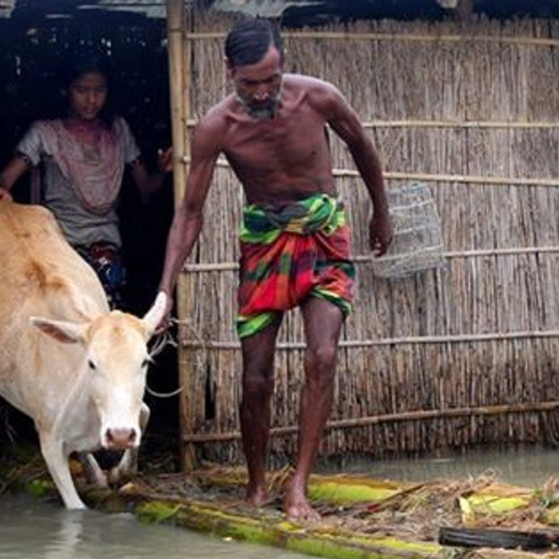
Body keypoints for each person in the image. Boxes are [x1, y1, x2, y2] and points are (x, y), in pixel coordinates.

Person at [155, 18, 393, 521]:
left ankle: (299, 487)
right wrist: (164, 291)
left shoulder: (320, 98)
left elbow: (364, 148)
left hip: (324, 231)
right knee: (256, 378)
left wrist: (381, 210)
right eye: (249, 84)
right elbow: (191, 212)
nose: (262, 92)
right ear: (229, 72)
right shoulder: (217, 127)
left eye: (271, 79)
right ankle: (258, 483)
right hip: (264, 243)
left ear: (283, 63)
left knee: (322, 356)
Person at [0, 53, 171, 309]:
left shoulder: (118, 131)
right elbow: (7, 176)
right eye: (82, 90)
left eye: (99, 90)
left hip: (108, 256)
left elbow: (146, 189)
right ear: (65, 90)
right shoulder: (45, 133)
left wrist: (163, 172)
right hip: (59, 253)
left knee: (103, 332)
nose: (91, 100)